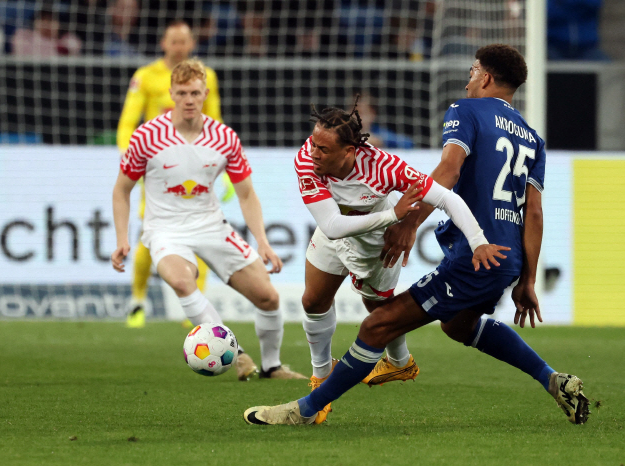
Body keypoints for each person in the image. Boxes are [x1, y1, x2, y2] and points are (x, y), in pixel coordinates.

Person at [244, 44, 590, 425]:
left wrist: (409, 222)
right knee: (458, 326)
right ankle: (553, 379)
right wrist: (527, 278)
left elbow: (448, 171)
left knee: (377, 325)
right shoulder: (532, 138)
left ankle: (304, 410)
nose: (468, 78)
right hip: (506, 258)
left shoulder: (465, 110)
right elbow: (535, 214)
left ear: (486, 77)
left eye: (473, 70)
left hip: (474, 257)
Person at [291, 94, 504, 424]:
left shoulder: (384, 167)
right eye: (313, 144)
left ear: (349, 151)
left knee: (379, 312)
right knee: (313, 300)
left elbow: (447, 198)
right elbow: (332, 227)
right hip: (339, 226)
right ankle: (321, 376)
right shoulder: (307, 160)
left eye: (323, 149)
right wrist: (393, 215)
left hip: (375, 245)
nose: (312, 153)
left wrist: (478, 241)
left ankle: (400, 362)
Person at [112, 59, 306, 381]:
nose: (189, 99)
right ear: (171, 94)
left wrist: (263, 242)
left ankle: (272, 367)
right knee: (181, 280)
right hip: (165, 230)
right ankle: (238, 353)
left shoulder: (225, 138)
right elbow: (122, 190)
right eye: (183, 92)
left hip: (212, 227)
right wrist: (122, 239)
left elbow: (246, 194)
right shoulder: (147, 136)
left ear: (206, 94)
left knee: (268, 297)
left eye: (196, 93)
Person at [116, 20, 231, 329]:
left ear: (191, 44)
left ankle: (195, 310)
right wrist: (133, 157)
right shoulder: (146, 77)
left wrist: (227, 170)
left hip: (196, 165)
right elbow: (128, 123)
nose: (179, 47)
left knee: (203, 233)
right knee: (149, 234)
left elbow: (216, 120)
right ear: (164, 43)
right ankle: (138, 301)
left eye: (184, 42)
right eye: (174, 41)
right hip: (158, 168)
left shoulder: (209, 78)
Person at [11, 7, 82, 57]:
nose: (46, 24)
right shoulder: (23, 36)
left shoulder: (69, 39)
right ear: (33, 22)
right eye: (42, 19)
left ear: (59, 24)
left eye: (50, 20)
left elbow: (73, 49)